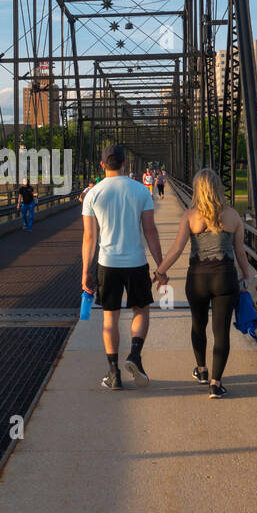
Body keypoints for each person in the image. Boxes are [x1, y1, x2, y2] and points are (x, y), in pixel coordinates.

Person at [153, 168, 252, 398]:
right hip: (225, 278)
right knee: (221, 331)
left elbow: (177, 249)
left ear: (198, 189)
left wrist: (159, 271)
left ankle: (201, 370)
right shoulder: (233, 216)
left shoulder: (190, 216)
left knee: (198, 325)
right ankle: (216, 384)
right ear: (218, 188)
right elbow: (240, 252)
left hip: (197, 277)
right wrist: (245, 276)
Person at [81, 145, 163, 391]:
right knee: (141, 310)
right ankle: (135, 356)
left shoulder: (93, 194)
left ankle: (113, 374)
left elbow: (89, 238)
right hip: (136, 262)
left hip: (107, 263)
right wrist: (162, 265)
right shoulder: (140, 191)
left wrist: (85, 271)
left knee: (110, 317)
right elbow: (150, 231)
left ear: (102, 164)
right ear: (125, 163)